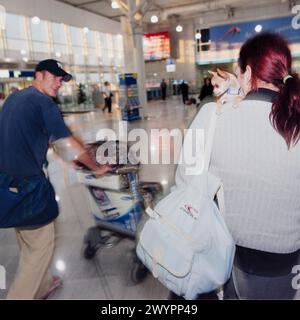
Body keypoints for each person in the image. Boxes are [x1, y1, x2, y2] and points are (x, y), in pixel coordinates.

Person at [175, 33, 300, 299]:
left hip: (230, 255)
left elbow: (185, 180)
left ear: (247, 72)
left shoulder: (213, 115)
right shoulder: (295, 120)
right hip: (286, 259)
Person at [0, 59, 111, 299]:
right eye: (55, 76)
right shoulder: (43, 102)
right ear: (38, 75)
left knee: (28, 239)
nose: (59, 83)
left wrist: (67, 159)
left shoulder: (15, 99)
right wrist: (95, 166)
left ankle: (45, 284)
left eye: (61, 79)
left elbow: (44, 137)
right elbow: (68, 141)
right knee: (40, 247)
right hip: (28, 186)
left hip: (6, 186)